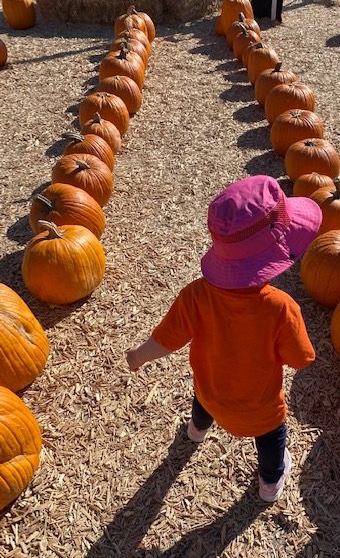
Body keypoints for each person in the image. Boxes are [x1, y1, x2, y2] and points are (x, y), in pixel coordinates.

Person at [126, 175, 322, 503]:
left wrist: (138, 357)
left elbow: (166, 339)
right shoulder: (281, 308)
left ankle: (195, 431)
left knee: (203, 400)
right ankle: (270, 483)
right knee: (272, 435)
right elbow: (301, 359)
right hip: (259, 409)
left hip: (210, 391)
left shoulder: (195, 295)